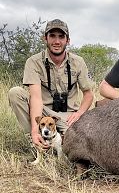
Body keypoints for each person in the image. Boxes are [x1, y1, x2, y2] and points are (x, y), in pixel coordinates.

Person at [8, 19, 94, 149]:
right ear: (45, 38)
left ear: (68, 40)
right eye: (52, 36)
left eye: (61, 36)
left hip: (68, 114)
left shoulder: (78, 62)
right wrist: (34, 130)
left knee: (77, 142)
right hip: (43, 111)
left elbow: (88, 95)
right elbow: (35, 98)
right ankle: (36, 139)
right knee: (15, 93)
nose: (57, 41)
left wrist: (79, 113)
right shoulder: (34, 62)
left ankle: (60, 138)